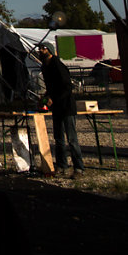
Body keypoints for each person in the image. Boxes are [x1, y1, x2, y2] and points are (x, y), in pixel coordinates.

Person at [38, 42, 84, 176]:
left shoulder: (57, 65)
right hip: (57, 107)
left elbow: (67, 87)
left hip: (67, 106)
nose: (40, 51)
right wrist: (46, 97)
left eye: (43, 49)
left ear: (49, 51)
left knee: (72, 139)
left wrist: (54, 98)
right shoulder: (45, 67)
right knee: (58, 139)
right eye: (39, 49)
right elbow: (51, 87)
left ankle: (79, 168)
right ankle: (62, 166)